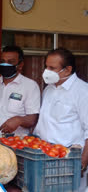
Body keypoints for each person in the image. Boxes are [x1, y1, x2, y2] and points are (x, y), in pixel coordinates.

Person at [34, 48, 88, 191]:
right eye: (46, 66)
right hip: (45, 157)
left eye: (52, 68)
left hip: (68, 161)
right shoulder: (49, 89)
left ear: (67, 70)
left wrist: (83, 162)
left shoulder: (82, 92)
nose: (47, 71)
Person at [0, 46, 40, 137]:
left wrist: (19, 120)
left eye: (11, 62)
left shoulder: (30, 86)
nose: (5, 65)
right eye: (2, 62)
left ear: (20, 65)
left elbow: (32, 119)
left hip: (15, 143)